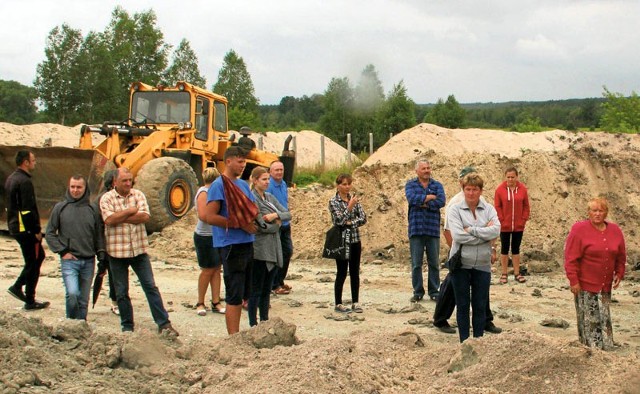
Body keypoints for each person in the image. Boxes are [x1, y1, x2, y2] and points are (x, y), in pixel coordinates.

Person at [100, 167, 178, 335]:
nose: (128, 183)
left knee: (150, 286)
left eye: (130, 180)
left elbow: (144, 217)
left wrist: (120, 216)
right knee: (121, 292)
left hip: (139, 250)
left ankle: (163, 324)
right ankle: (127, 327)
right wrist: (129, 211)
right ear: (115, 182)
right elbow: (109, 219)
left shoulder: (139, 195)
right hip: (117, 253)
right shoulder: (106, 198)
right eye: (124, 181)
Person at [433, 166, 502, 335]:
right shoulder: (455, 207)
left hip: (482, 264)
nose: (471, 193)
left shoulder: (488, 207)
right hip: (461, 262)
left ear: (480, 190)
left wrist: (471, 230)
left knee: (480, 305)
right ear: (462, 187)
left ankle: (478, 341)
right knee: (462, 304)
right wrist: (483, 234)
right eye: (468, 189)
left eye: (475, 189)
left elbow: (496, 230)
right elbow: (457, 235)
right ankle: (463, 340)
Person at [204, 146, 257, 334]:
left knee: (245, 292)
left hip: (247, 242)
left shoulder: (242, 185)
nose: (243, 165)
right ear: (228, 161)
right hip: (230, 245)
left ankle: (244, 331)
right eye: (240, 162)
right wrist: (238, 224)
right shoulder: (219, 185)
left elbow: (249, 211)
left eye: (245, 162)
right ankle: (233, 338)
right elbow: (210, 216)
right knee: (234, 293)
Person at [564, 197, 626, 350]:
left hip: (605, 284)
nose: (598, 214)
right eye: (594, 210)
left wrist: (620, 272)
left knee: (604, 317)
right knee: (588, 319)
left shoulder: (615, 230)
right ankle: (591, 350)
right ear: (589, 213)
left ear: (606, 213)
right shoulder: (579, 229)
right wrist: (573, 280)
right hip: (585, 284)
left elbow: (620, 255)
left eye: (601, 211)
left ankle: (607, 347)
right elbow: (570, 258)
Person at [45, 175, 105, 320]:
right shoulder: (60, 208)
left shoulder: (93, 210)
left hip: (89, 262)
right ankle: (70, 326)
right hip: (69, 261)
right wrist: (63, 251)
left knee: (83, 300)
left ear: (85, 189)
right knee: (72, 294)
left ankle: (80, 328)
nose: (75, 190)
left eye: (79, 187)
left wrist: (102, 256)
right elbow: (50, 233)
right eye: (72, 187)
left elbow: (99, 235)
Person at [5, 150, 49, 310]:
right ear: (25, 162)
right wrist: (36, 230)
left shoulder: (11, 178)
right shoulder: (24, 182)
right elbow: (27, 209)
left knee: (34, 259)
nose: (35, 163)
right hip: (25, 228)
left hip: (15, 225)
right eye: (33, 160)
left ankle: (27, 294)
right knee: (35, 259)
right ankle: (24, 292)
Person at [249, 166, 291, 326]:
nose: (267, 182)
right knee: (256, 289)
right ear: (254, 180)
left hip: (274, 248)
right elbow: (261, 225)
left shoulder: (270, 197)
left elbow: (287, 213)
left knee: (266, 289)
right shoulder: (253, 200)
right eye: (264, 179)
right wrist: (278, 225)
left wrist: (275, 216)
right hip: (260, 250)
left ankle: (264, 321)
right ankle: (253, 323)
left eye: (268, 179)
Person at [405, 158, 446, 302]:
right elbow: (412, 199)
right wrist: (429, 197)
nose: (427, 171)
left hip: (432, 228)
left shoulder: (437, 185)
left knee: (434, 262)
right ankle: (418, 291)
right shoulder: (410, 185)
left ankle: (434, 291)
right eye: (424, 168)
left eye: (428, 168)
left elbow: (441, 201)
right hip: (416, 229)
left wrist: (424, 203)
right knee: (416, 263)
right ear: (417, 171)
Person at [328, 173, 367, 313]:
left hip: (355, 239)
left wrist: (351, 222)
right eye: (344, 184)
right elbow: (339, 221)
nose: (347, 187)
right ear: (338, 185)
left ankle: (355, 302)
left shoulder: (354, 199)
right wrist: (349, 208)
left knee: (355, 271)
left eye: (349, 184)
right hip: (342, 240)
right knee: (342, 272)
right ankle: (338, 302)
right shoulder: (333, 201)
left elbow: (363, 218)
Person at [194, 167, 225, 316]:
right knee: (207, 269)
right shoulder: (204, 193)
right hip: (205, 236)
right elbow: (203, 215)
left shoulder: (215, 192)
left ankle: (216, 301)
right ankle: (200, 302)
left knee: (217, 269)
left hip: (216, 235)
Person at [494, 166, 530, 284]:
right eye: (508, 177)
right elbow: (497, 206)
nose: (510, 179)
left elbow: (526, 206)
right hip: (505, 226)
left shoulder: (522, 189)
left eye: (512, 177)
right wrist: (502, 220)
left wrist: (523, 220)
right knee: (504, 249)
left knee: (516, 249)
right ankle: (504, 273)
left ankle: (516, 273)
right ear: (505, 177)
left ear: (517, 177)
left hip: (518, 226)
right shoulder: (500, 190)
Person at [93, 169, 120, 315]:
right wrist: (101, 250)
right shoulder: (102, 201)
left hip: (116, 241)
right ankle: (115, 302)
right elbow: (98, 227)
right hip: (107, 242)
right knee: (113, 273)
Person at [267, 160, 294, 295]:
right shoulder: (269, 186)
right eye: (276, 170)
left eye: (281, 170)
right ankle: (274, 284)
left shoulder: (283, 184)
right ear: (270, 171)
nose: (279, 172)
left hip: (285, 224)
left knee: (287, 252)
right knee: (277, 255)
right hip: (276, 225)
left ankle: (280, 280)